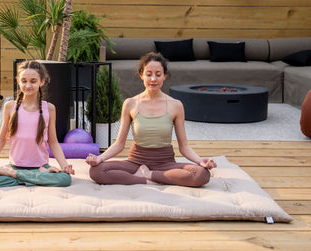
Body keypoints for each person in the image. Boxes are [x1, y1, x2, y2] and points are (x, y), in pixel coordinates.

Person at [85, 52, 216, 186]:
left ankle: (150, 176)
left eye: (158, 74)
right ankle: (147, 179)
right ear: (141, 75)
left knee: (202, 174)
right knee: (97, 171)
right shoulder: (130, 104)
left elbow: (184, 147)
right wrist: (99, 158)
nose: (153, 79)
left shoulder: (176, 105)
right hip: (135, 162)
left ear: (164, 76)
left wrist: (200, 161)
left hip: (165, 163)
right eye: (149, 74)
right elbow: (119, 144)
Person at [0, 60, 74, 187]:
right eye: (24, 81)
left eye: (33, 81)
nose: (28, 85)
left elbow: (53, 142)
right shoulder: (9, 107)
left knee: (65, 179)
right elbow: (1, 140)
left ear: (41, 82)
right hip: (16, 166)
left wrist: (64, 166)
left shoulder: (49, 108)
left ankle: (12, 175)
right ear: (18, 81)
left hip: (40, 167)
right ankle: (32, 178)